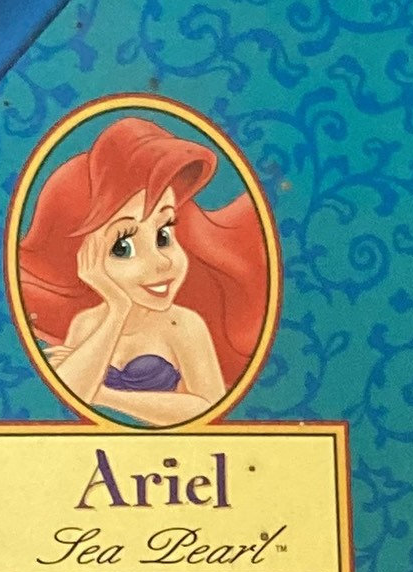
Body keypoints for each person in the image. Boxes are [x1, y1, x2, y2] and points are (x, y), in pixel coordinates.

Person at [14, 113, 271, 425]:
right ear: (86, 260)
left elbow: (207, 408)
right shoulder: (87, 324)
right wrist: (117, 310)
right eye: (123, 248)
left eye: (164, 236)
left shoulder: (183, 325)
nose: (162, 262)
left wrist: (104, 396)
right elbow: (66, 396)